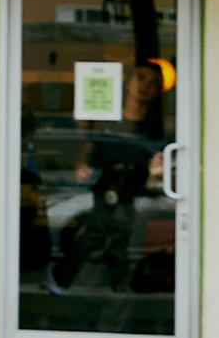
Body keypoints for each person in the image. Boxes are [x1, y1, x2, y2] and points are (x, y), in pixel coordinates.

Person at [48, 61, 167, 295]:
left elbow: (159, 168)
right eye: (140, 78)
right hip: (102, 193)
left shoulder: (156, 127)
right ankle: (63, 282)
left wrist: (156, 175)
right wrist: (82, 166)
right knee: (91, 238)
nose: (145, 86)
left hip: (135, 197)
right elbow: (86, 154)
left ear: (158, 91)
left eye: (154, 83)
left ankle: (119, 293)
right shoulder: (106, 119)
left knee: (121, 245)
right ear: (128, 81)